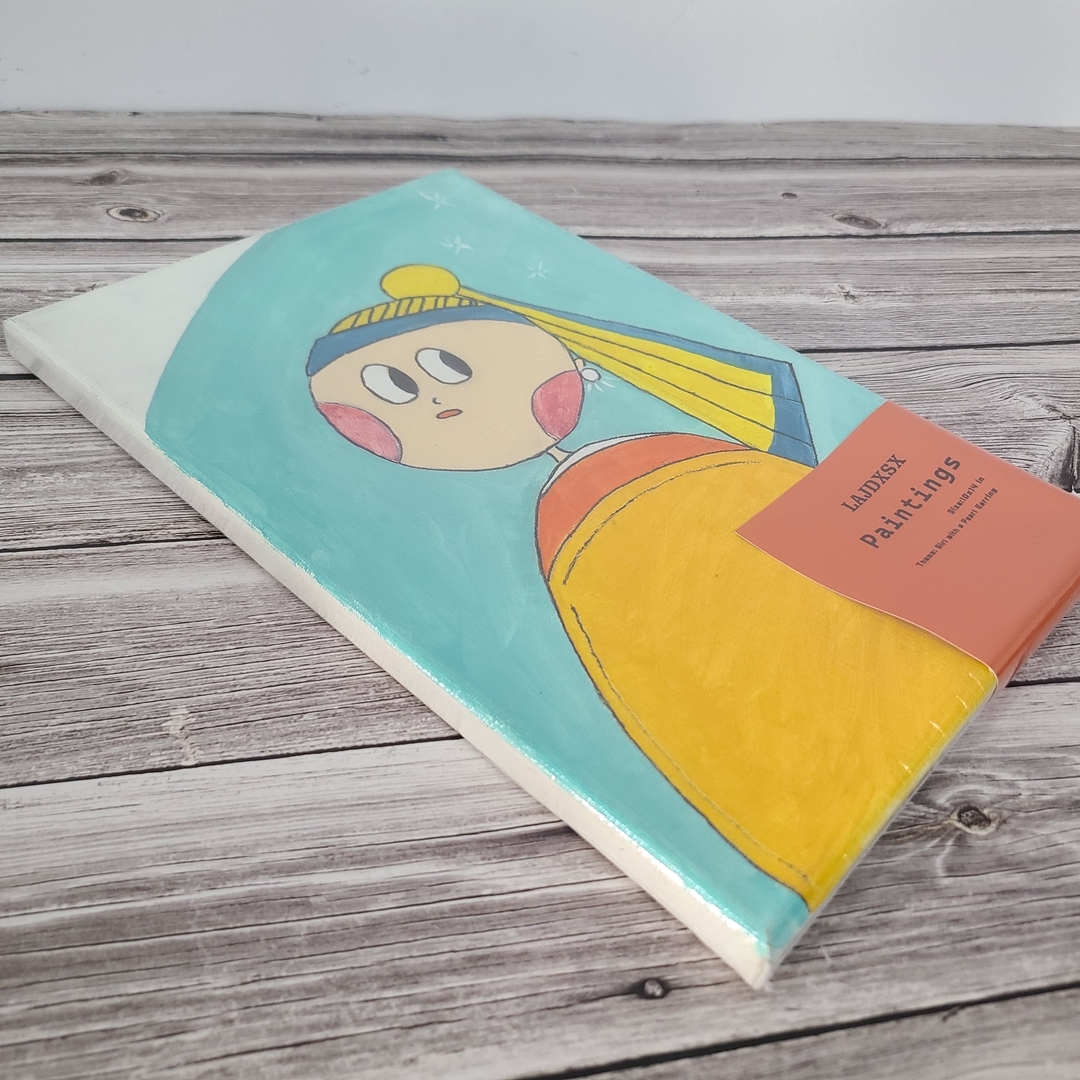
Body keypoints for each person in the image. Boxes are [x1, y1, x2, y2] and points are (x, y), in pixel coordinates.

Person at [307, 264, 995, 908]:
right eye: (394, 393)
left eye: (450, 367)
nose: (434, 398)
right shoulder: (573, 527)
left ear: (567, 367)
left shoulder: (670, 470)